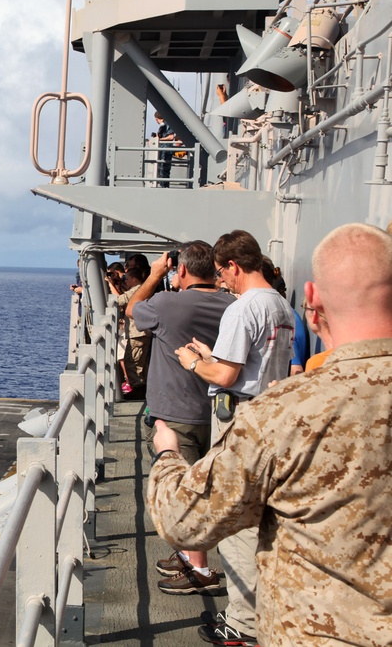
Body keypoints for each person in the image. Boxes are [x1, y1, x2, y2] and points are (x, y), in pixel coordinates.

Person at [148, 223, 392, 646]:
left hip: (314, 634)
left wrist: (168, 454)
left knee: (243, 535)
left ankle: (242, 623)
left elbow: (182, 520)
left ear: (313, 300)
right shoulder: (280, 305)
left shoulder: (281, 412)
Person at [172, 229, 295, 646]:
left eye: (223, 273)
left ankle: (242, 623)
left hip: (238, 418)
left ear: (233, 266)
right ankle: (263, 614)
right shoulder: (281, 305)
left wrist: (193, 362)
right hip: (271, 417)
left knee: (238, 524)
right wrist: (213, 356)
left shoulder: (243, 309)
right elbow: (259, 365)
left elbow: (227, 376)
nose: (221, 280)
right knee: (263, 522)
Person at [126, 241, 234, 594]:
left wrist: (156, 274)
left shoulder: (167, 303)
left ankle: (199, 571)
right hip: (218, 410)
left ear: (181, 269)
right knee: (206, 486)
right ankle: (189, 557)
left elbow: (132, 308)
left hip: (176, 412)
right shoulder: (230, 304)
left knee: (186, 491)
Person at [117, 268, 151, 397]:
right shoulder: (142, 288)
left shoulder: (137, 290)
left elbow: (120, 300)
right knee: (138, 363)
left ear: (135, 279)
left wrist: (109, 283)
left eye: (128, 278)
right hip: (139, 332)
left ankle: (138, 391)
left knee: (133, 363)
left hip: (137, 332)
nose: (126, 281)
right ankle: (138, 389)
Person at [154, 112, 177, 188]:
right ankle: (163, 186)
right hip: (162, 150)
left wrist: (160, 139)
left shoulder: (167, 124)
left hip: (166, 150)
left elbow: (171, 137)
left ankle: (164, 187)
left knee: (164, 171)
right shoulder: (163, 125)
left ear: (157, 119)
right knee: (161, 171)